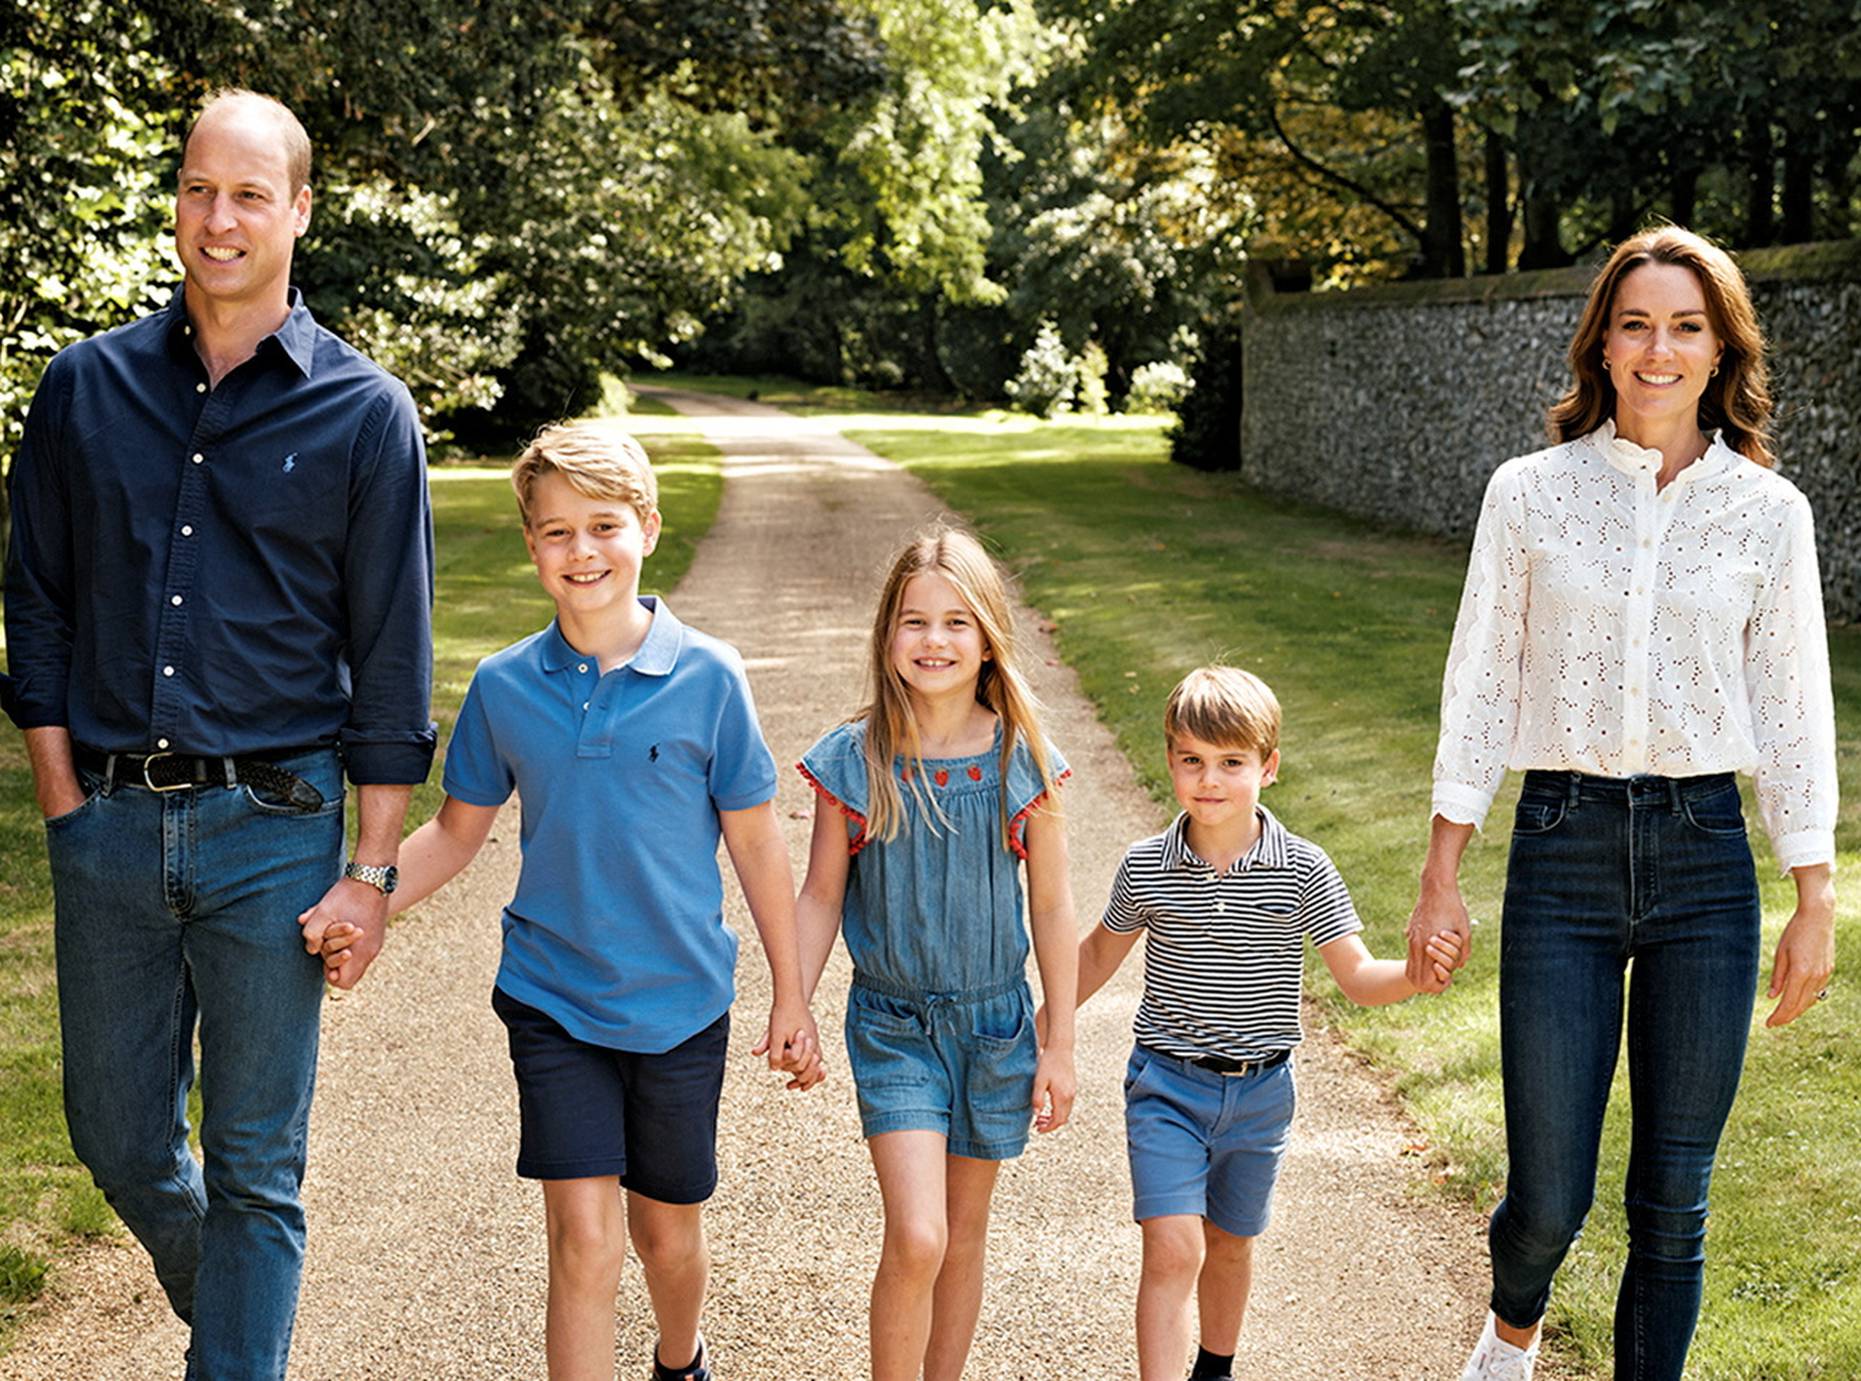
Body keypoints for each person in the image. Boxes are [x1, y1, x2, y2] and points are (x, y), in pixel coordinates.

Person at [1, 90, 433, 1378]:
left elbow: (393, 656)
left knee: (257, 1165)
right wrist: (62, 797)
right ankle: (244, 1312)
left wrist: (370, 869)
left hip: (279, 831)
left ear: (299, 210)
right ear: (176, 201)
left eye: (251, 193)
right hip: (111, 827)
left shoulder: (366, 415)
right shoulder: (86, 388)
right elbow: (39, 597)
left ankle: (240, 1346)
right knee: (120, 1137)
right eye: (200, 189)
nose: (220, 217)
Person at [1405, 225, 1839, 1381]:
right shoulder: (1528, 494)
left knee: (1672, 1201)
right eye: (1636, 323)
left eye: (1686, 326)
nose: (1659, 348)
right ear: (1601, 342)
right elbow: (1481, 680)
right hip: (1562, 845)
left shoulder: (1767, 513)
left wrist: (1815, 892)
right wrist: (1443, 865)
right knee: (1548, 1196)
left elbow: (1794, 708)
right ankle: (1512, 1319)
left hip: (1705, 862)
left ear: (1719, 348)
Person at [312, 419, 822, 1381]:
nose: (581, 551)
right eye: (555, 531)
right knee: (582, 1241)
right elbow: (459, 830)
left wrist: (790, 994)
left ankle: (682, 1360)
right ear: (530, 545)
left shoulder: (710, 675)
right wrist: (368, 895)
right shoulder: (506, 685)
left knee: (665, 1240)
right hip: (552, 996)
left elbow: (756, 842)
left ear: (648, 530)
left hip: (679, 1001)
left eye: (602, 527)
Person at [1055, 665, 1458, 1381]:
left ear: (1267, 767)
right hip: (1166, 1085)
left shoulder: (1302, 868)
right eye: (1191, 760)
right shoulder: (1147, 866)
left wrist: (1414, 975)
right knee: (1174, 1245)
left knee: (1231, 1242)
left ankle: (1214, 1367)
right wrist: (1046, 1031)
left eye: (1231, 762)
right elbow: (1094, 955)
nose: (1209, 780)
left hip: (1260, 1094)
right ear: (1171, 760)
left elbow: (1356, 975)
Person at [792, 525, 1077, 1381]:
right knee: (918, 1234)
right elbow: (819, 895)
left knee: (961, 1236)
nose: (934, 640)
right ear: (887, 634)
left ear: (987, 635)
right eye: (915, 621)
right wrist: (791, 1000)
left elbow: (1054, 905)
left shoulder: (1022, 760)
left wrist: (1059, 1043)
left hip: (994, 1025)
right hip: (892, 1023)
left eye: (957, 622)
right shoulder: (855, 759)